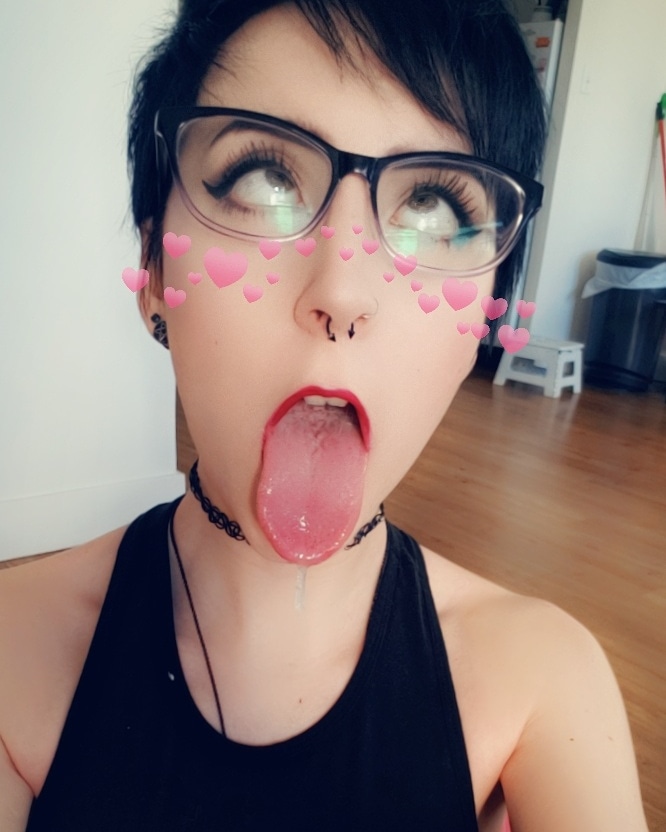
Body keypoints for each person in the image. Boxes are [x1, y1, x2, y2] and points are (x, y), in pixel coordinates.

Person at [0, 1, 649, 829]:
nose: (343, 291)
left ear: (487, 313)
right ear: (156, 272)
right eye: (263, 181)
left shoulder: (543, 686)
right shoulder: (15, 652)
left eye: (433, 208)